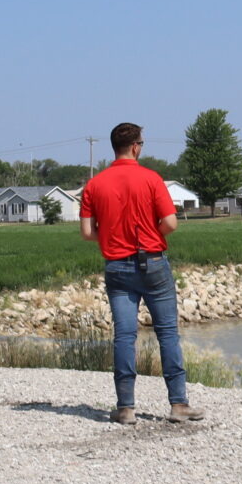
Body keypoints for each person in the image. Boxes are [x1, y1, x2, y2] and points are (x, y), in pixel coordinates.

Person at [79, 122, 200, 424]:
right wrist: (151, 235)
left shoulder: (94, 185)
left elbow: (86, 232)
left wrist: (110, 236)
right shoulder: (151, 178)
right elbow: (171, 223)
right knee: (167, 333)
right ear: (135, 146)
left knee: (124, 336)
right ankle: (178, 404)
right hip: (154, 262)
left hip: (117, 266)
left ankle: (126, 408)